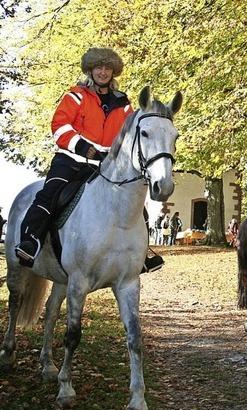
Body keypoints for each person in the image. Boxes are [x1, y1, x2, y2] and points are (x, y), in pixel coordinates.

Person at [14, 47, 163, 273]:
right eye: (98, 68)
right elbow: (59, 125)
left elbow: (130, 134)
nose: (103, 72)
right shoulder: (75, 96)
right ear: (90, 71)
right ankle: (30, 241)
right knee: (50, 194)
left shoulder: (123, 104)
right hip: (71, 160)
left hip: (104, 166)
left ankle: (141, 255)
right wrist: (83, 147)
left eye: (107, 68)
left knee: (136, 207)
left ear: (113, 73)